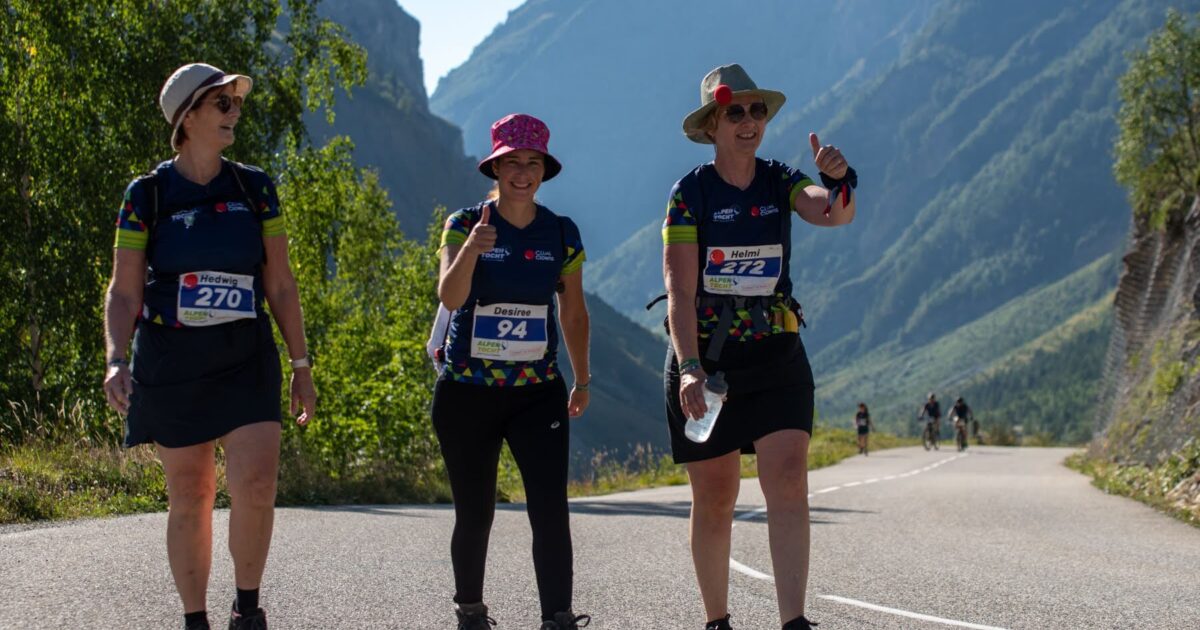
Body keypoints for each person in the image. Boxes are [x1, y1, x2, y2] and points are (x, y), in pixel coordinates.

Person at [102, 63, 317, 630]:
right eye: (221, 104)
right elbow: (124, 291)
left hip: (245, 357)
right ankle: (194, 618)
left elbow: (280, 283)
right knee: (192, 494)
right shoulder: (146, 195)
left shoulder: (255, 187)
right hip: (171, 362)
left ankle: (248, 609)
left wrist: (301, 364)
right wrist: (115, 358)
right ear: (187, 117)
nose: (234, 113)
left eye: (236, 103)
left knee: (256, 482)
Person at [661, 64, 857, 630]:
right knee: (718, 496)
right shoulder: (690, 194)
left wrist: (839, 180)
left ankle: (794, 620)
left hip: (776, 354)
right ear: (713, 125)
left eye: (757, 111)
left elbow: (830, 212)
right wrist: (690, 367)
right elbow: (679, 292)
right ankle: (717, 620)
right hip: (710, 360)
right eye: (735, 112)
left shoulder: (781, 179)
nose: (749, 122)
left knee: (789, 477)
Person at [433, 113, 592, 630]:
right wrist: (472, 253)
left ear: (544, 169)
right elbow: (450, 297)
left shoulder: (561, 234)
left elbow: (573, 311)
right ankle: (470, 610)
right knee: (475, 510)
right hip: (466, 392)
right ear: (495, 167)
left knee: (549, 508)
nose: (522, 173)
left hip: (535, 393)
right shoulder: (464, 224)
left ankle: (559, 616)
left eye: (532, 163)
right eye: (512, 163)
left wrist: (582, 377)